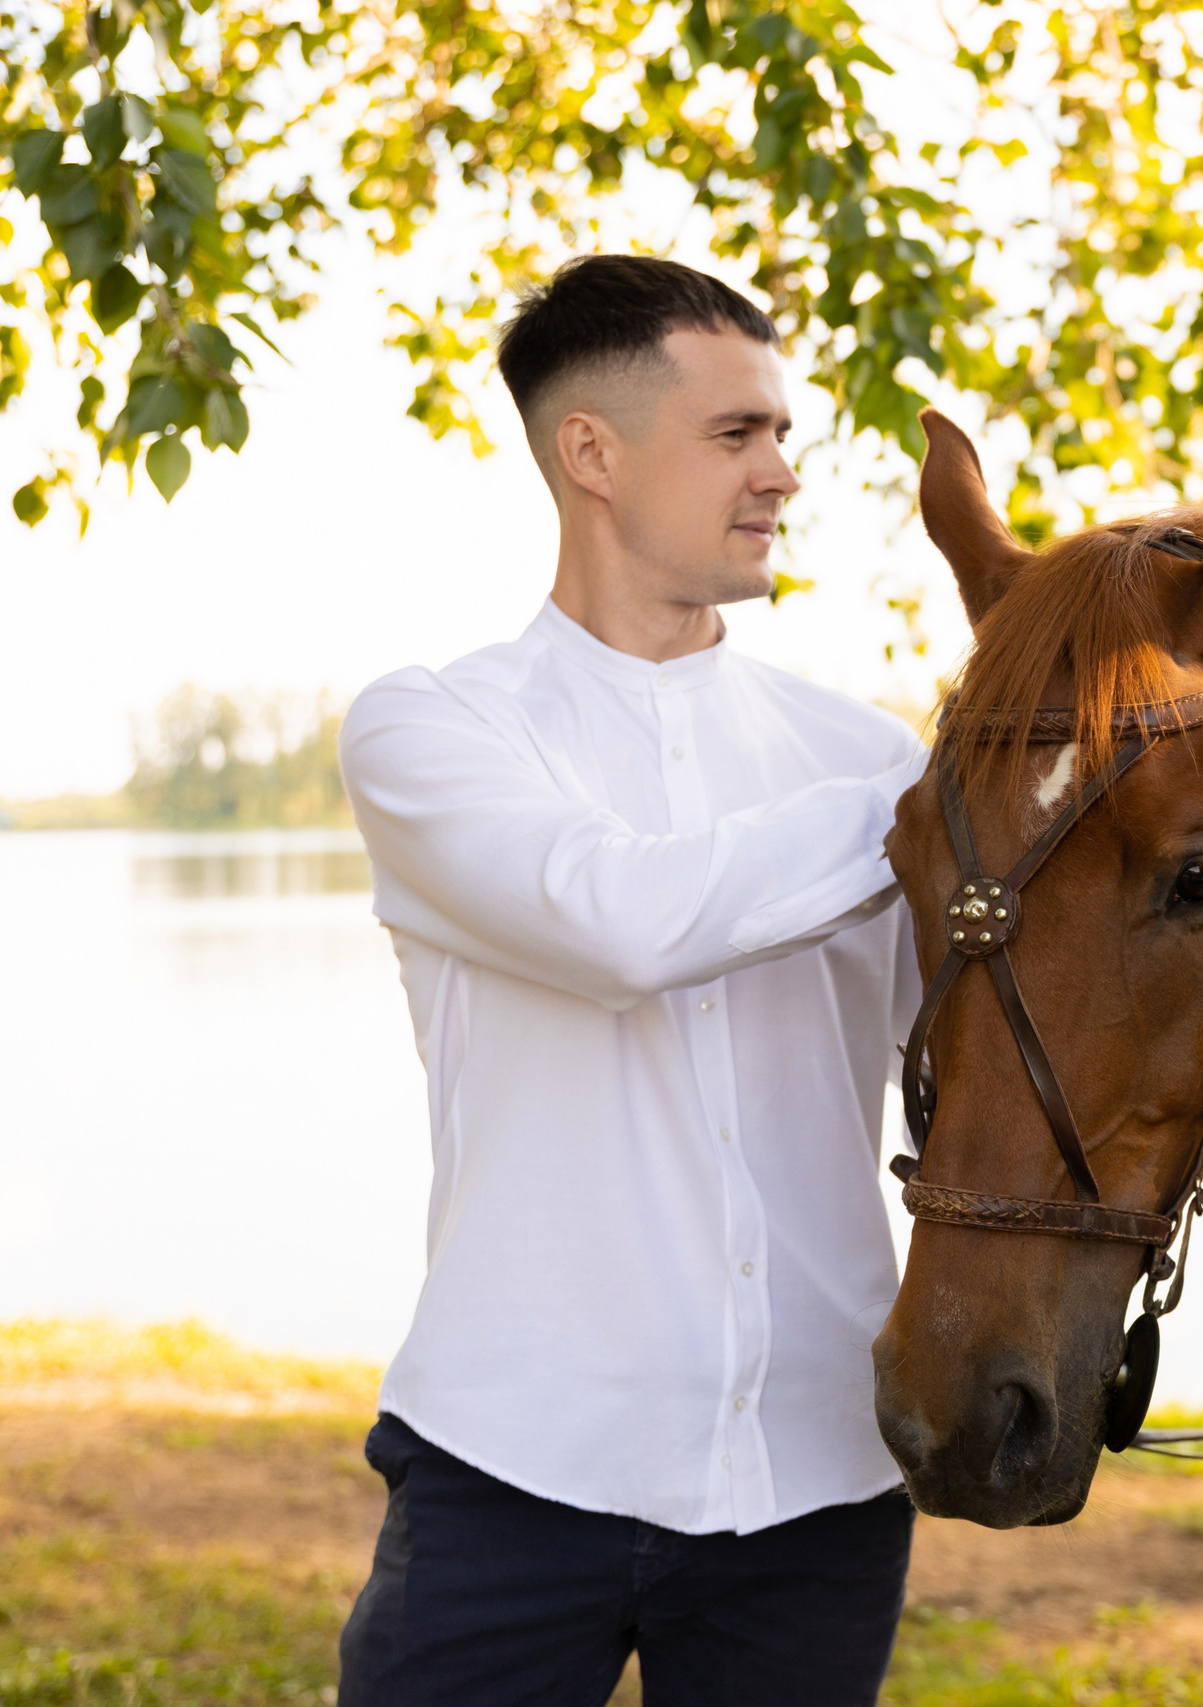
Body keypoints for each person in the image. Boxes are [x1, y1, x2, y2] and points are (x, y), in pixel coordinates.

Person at [334, 255, 926, 1706]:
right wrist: (949, 800)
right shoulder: (431, 730)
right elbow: (623, 921)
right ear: (589, 451)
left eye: (783, 434)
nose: (783, 473)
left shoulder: (868, 751)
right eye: (738, 435)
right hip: (513, 1463)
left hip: (821, 1474)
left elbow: (995, 1050)